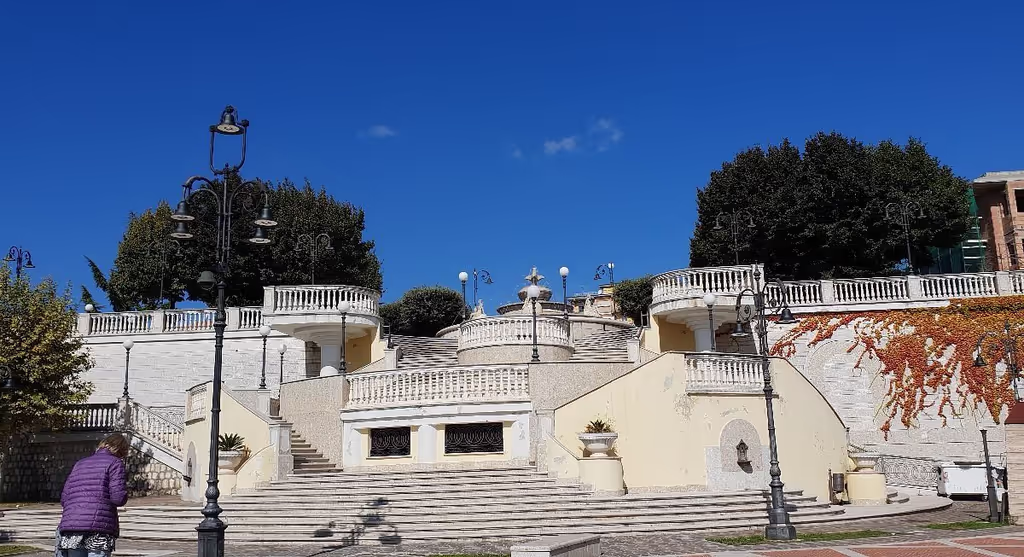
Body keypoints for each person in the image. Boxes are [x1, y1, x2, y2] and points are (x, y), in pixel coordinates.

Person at [57, 433, 130, 557]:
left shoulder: (79, 464)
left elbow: (64, 499)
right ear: (121, 450)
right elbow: (118, 498)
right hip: (99, 528)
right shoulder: (115, 463)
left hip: (72, 525)